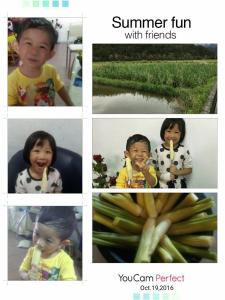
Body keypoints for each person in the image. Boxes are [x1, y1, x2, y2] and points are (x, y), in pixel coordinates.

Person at [8, 18, 74, 106]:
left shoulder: (51, 71)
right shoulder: (11, 81)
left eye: (42, 47)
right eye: (28, 43)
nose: (34, 51)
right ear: (16, 46)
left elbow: (59, 87)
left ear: (50, 54)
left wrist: (70, 104)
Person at [19, 206, 77, 280]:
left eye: (48, 240)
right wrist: (27, 276)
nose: (39, 243)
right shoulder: (31, 252)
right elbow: (22, 271)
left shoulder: (65, 261)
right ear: (34, 227)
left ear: (61, 244)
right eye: (37, 233)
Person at [152, 118, 192, 188]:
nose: (172, 135)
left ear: (181, 134)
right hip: (162, 185)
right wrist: (163, 176)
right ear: (163, 132)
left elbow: (189, 169)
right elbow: (151, 169)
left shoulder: (184, 150)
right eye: (169, 131)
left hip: (179, 185)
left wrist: (177, 172)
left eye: (176, 132)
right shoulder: (157, 150)